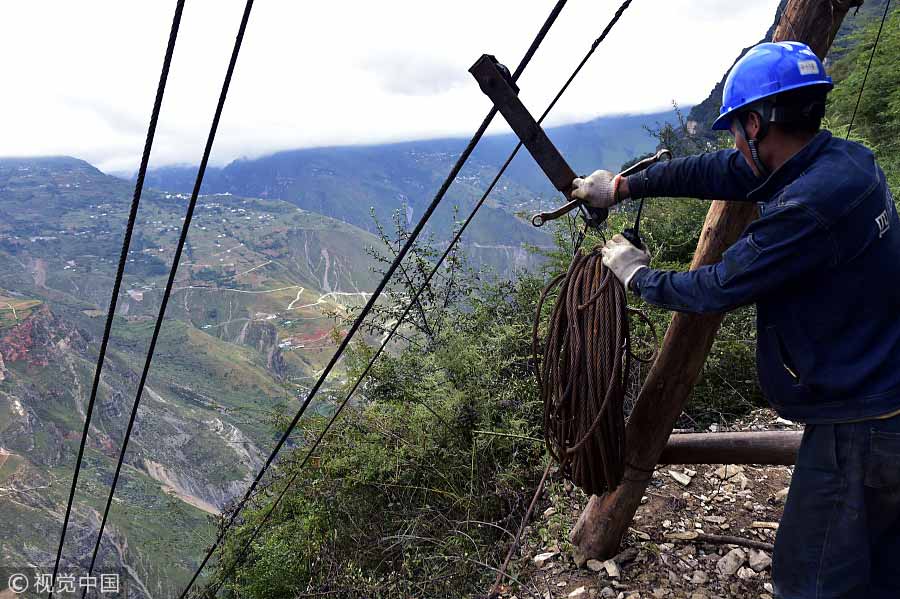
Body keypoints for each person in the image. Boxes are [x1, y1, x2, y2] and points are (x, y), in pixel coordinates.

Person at [570, 41, 900, 599]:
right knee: (881, 566)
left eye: (735, 129)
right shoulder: (842, 163)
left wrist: (636, 274)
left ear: (756, 122)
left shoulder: (805, 210)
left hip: (861, 427)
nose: (732, 143)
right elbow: (722, 171)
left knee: (812, 579)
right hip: (883, 397)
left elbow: (714, 286)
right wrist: (625, 186)